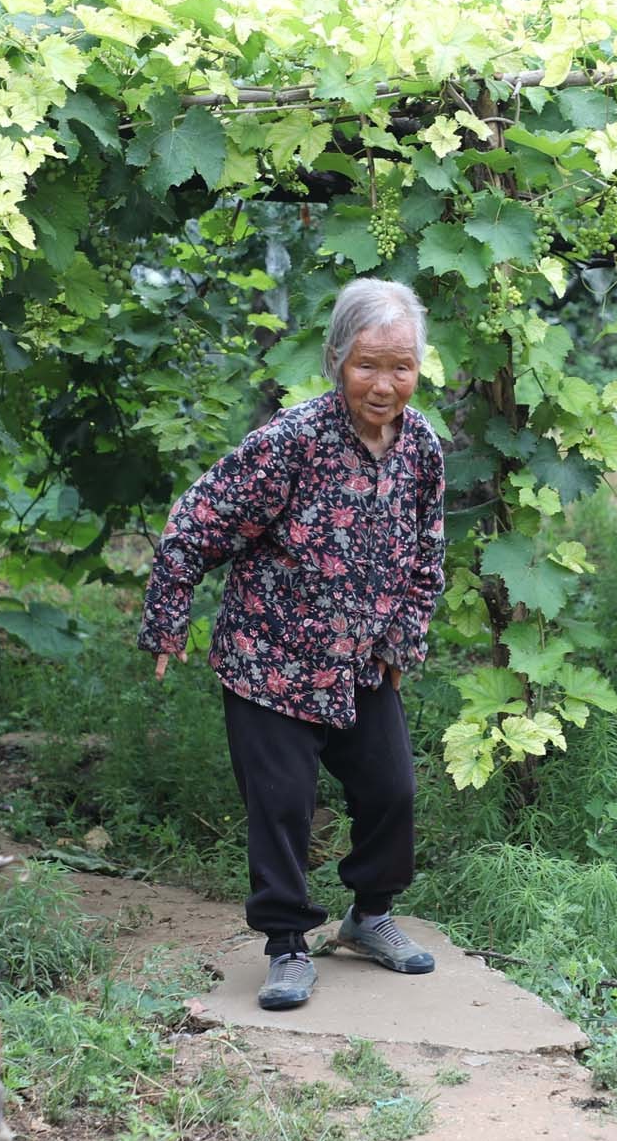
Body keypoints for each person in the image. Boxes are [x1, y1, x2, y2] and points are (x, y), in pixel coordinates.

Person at [138, 278, 447, 1010]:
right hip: (267, 660)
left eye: (400, 366)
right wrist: (167, 617)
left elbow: (428, 550)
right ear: (338, 358)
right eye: (367, 364)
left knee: (391, 789)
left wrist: (401, 639)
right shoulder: (292, 442)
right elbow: (198, 521)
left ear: (418, 367)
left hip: (360, 664)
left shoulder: (422, 447)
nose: (384, 383)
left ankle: (369, 914)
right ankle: (285, 945)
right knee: (281, 803)